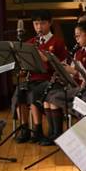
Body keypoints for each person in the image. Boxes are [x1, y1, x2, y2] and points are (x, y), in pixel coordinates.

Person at [13, 12, 70, 144]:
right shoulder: (31, 43)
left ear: (50, 23)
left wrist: (47, 59)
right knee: (19, 93)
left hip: (49, 79)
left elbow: (63, 67)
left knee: (33, 93)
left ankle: (38, 129)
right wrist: (23, 69)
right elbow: (26, 65)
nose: (39, 27)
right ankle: (25, 129)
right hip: (33, 79)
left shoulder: (58, 42)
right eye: (36, 24)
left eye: (42, 23)